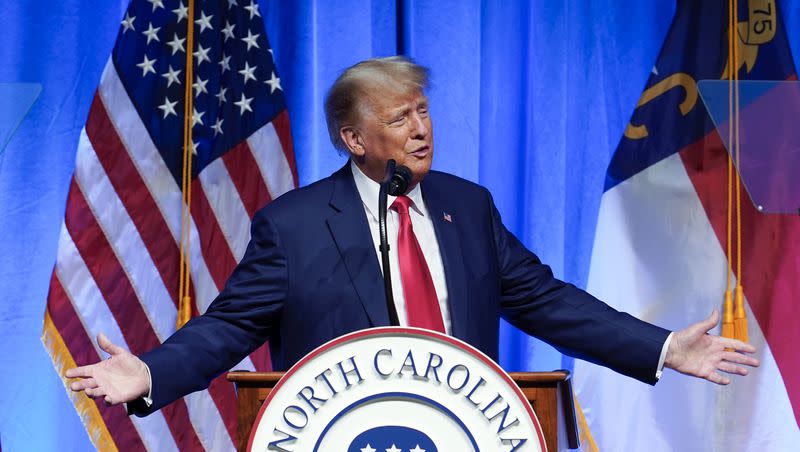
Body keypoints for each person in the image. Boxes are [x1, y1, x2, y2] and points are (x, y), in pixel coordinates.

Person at [66, 57, 758, 415]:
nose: (421, 129)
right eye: (399, 119)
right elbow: (226, 330)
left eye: (423, 111)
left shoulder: (467, 207)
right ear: (354, 138)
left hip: (466, 433)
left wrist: (662, 347)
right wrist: (152, 372)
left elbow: (550, 304)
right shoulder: (296, 227)